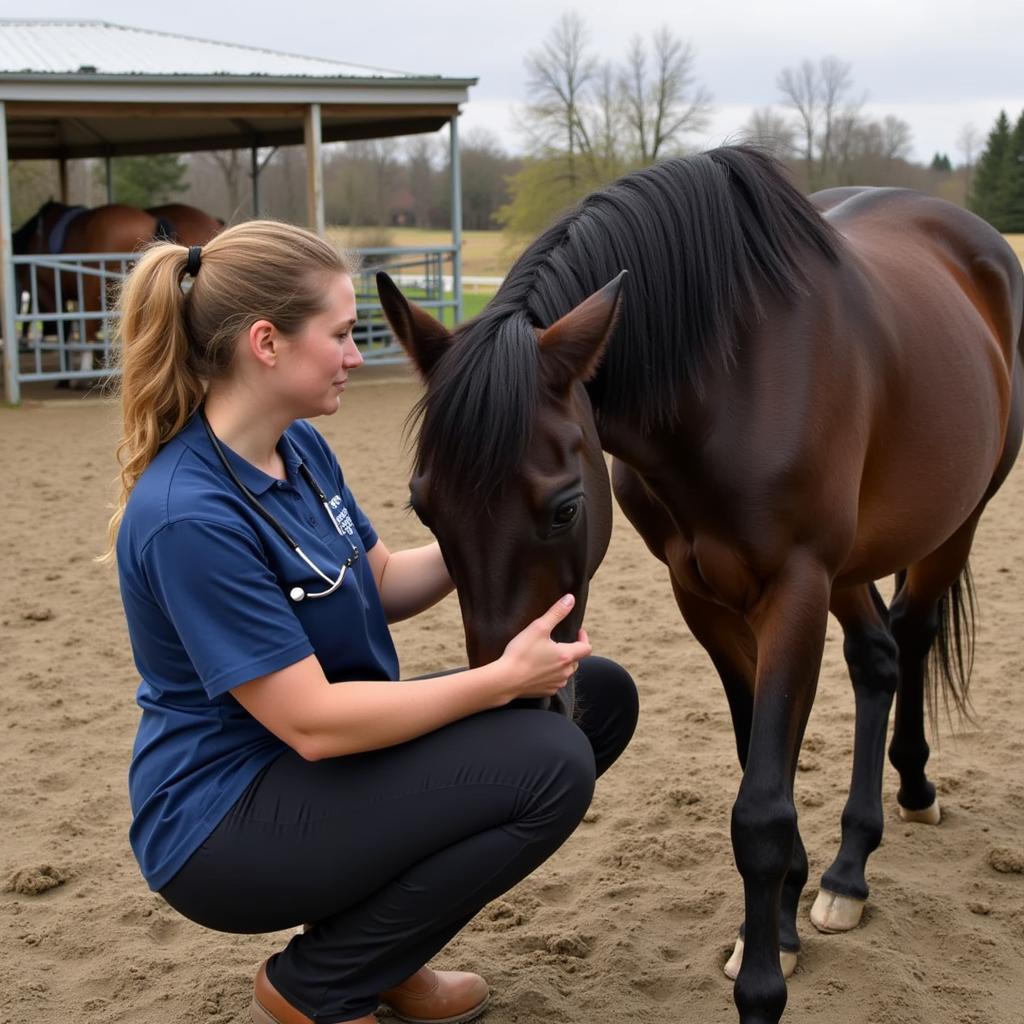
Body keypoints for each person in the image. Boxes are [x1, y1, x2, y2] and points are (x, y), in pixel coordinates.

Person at [105, 220, 639, 1024]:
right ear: (267, 343)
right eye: (343, 334)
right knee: (551, 762)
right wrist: (499, 680)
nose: (359, 356)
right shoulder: (190, 516)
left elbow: (381, 578)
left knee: (597, 697)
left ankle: (384, 955)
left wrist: (498, 526)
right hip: (225, 822)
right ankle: (319, 984)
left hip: (309, 774)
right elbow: (314, 722)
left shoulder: (301, 449)